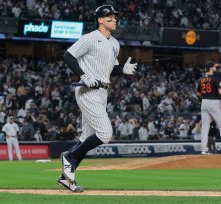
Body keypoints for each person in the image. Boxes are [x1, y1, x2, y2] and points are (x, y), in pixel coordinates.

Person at [57, 4, 137, 193]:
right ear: (100, 20)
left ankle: (66, 178)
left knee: (85, 138)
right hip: (87, 90)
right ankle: (69, 157)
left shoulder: (115, 43)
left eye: (115, 17)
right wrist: (84, 75)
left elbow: (111, 69)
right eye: (110, 17)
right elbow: (68, 56)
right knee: (105, 134)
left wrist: (122, 70)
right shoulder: (90, 38)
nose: (114, 19)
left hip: (102, 91)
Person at [196, 61, 221, 155]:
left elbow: (198, 93)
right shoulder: (216, 79)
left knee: (205, 127)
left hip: (204, 102)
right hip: (214, 102)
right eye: (214, 66)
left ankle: (204, 150)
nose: (215, 68)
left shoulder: (200, 79)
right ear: (210, 68)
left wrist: (205, 96)